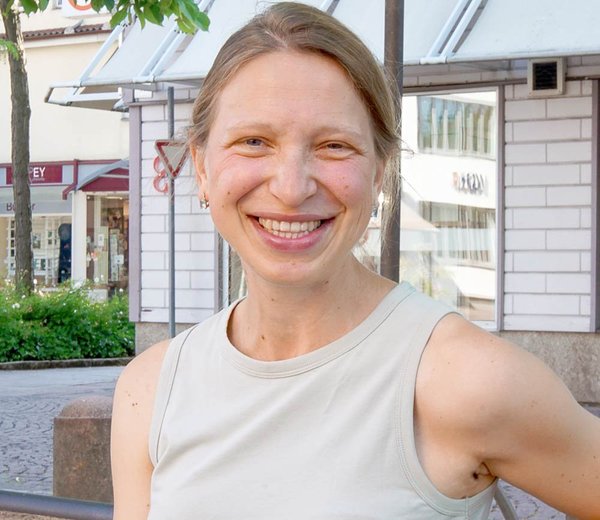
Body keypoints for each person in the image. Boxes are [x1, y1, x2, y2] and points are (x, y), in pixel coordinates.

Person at [111, 3, 600, 519]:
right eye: (254, 142)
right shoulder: (151, 389)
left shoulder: (464, 378)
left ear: (379, 172)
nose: (292, 188)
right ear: (203, 167)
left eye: (334, 146)